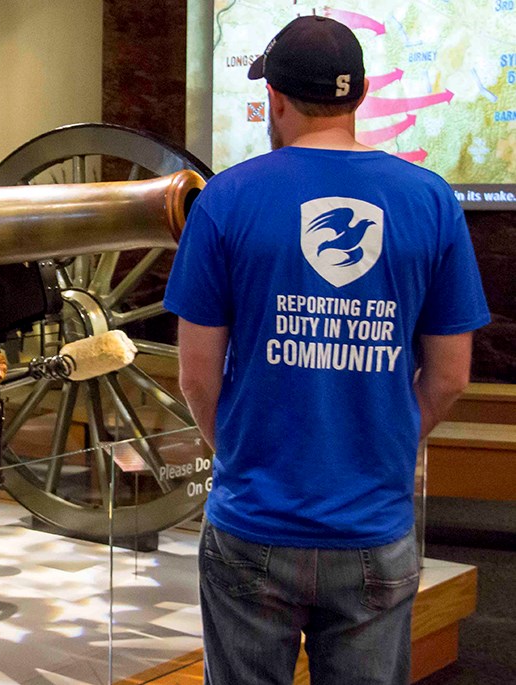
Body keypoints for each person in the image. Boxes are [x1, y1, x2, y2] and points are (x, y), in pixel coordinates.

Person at [163, 15, 489, 685]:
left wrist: (238, 454)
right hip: (373, 524)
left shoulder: (226, 199)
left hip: (252, 519)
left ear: (274, 99)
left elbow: (195, 376)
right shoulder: (430, 200)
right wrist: (386, 444)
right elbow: (451, 376)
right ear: (362, 93)